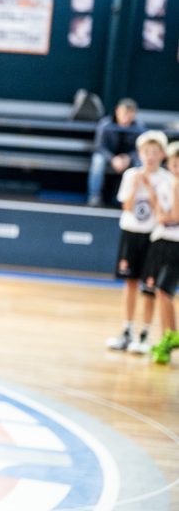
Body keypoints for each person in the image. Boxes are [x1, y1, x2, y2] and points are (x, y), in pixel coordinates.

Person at [106, 130, 169, 353]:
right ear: (140, 154)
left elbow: (163, 211)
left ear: (162, 154)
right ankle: (127, 330)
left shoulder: (167, 179)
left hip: (153, 236)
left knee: (149, 286)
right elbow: (126, 205)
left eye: (154, 152)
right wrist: (136, 185)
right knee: (130, 282)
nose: (150, 157)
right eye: (146, 152)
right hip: (131, 233)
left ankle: (145, 334)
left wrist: (150, 188)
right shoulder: (131, 175)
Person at [150, 142, 179, 364]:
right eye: (174, 164)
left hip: (175, 243)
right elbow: (159, 211)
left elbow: (174, 216)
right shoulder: (166, 183)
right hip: (164, 240)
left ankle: (172, 335)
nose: (176, 168)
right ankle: (167, 337)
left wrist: (164, 217)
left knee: (163, 290)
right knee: (162, 292)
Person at [87, 98, 146, 207]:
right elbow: (99, 147)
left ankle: (136, 199)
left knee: (141, 163)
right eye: (124, 112)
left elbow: (140, 149)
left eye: (130, 112)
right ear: (117, 111)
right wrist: (113, 159)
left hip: (128, 159)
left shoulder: (139, 128)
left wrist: (128, 158)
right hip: (109, 157)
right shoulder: (105, 124)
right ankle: (94, 197)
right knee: (97, 161)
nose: (126, 115)